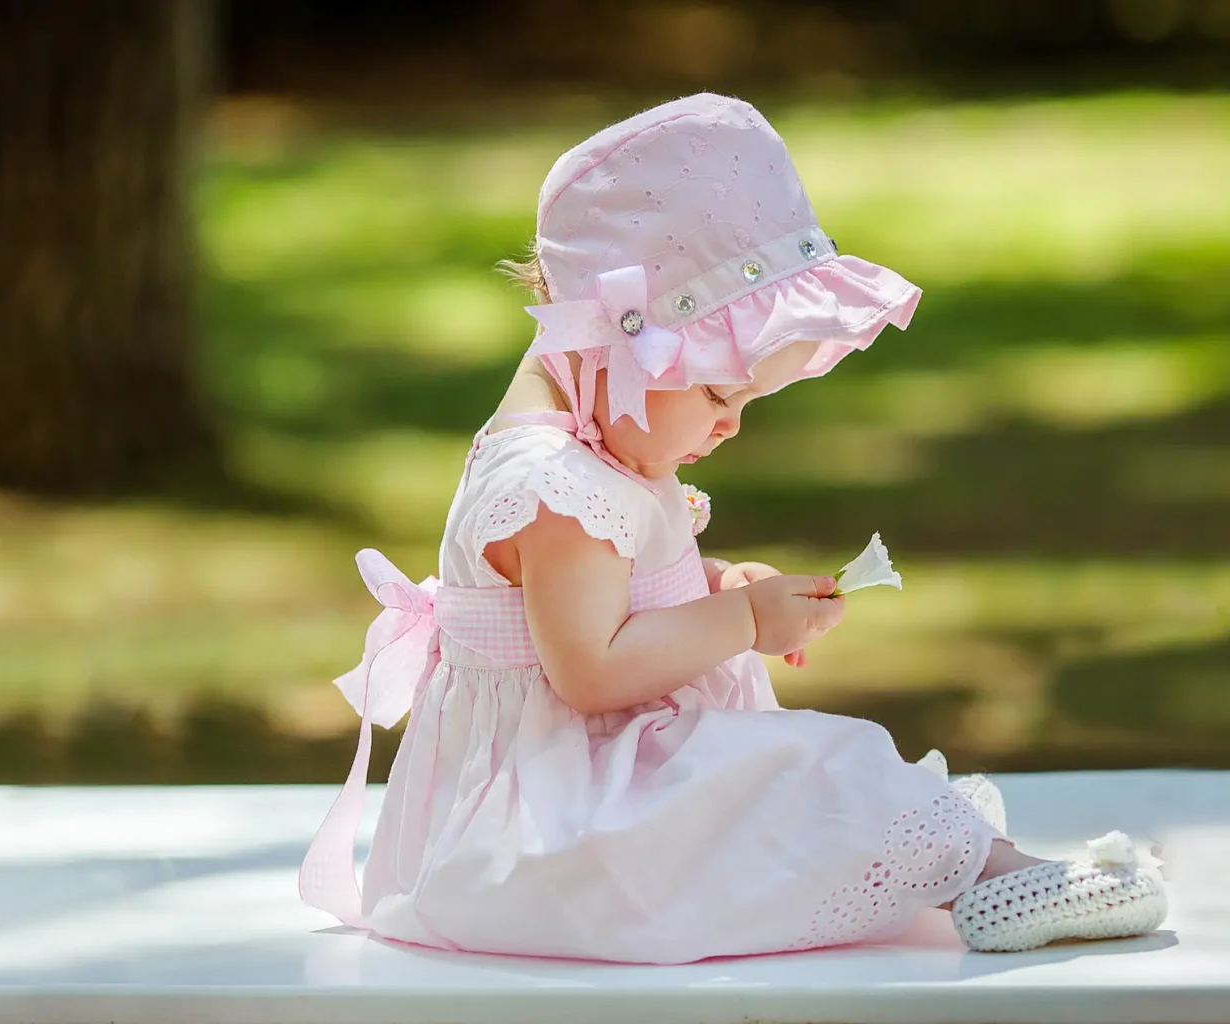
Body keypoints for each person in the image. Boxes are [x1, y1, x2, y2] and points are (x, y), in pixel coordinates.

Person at [299, 93, 1167, 963]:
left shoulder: (595, 452)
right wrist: (742, 626)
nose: (730, 427)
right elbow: (592, 671)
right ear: (609, 345)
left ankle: (966, 864)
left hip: (604, 794)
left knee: (803, 780)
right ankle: (997, 877)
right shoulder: (556, 490)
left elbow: (610, 606)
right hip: (568, 830)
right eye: (719, 393)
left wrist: (712, 586)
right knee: (824, 769)